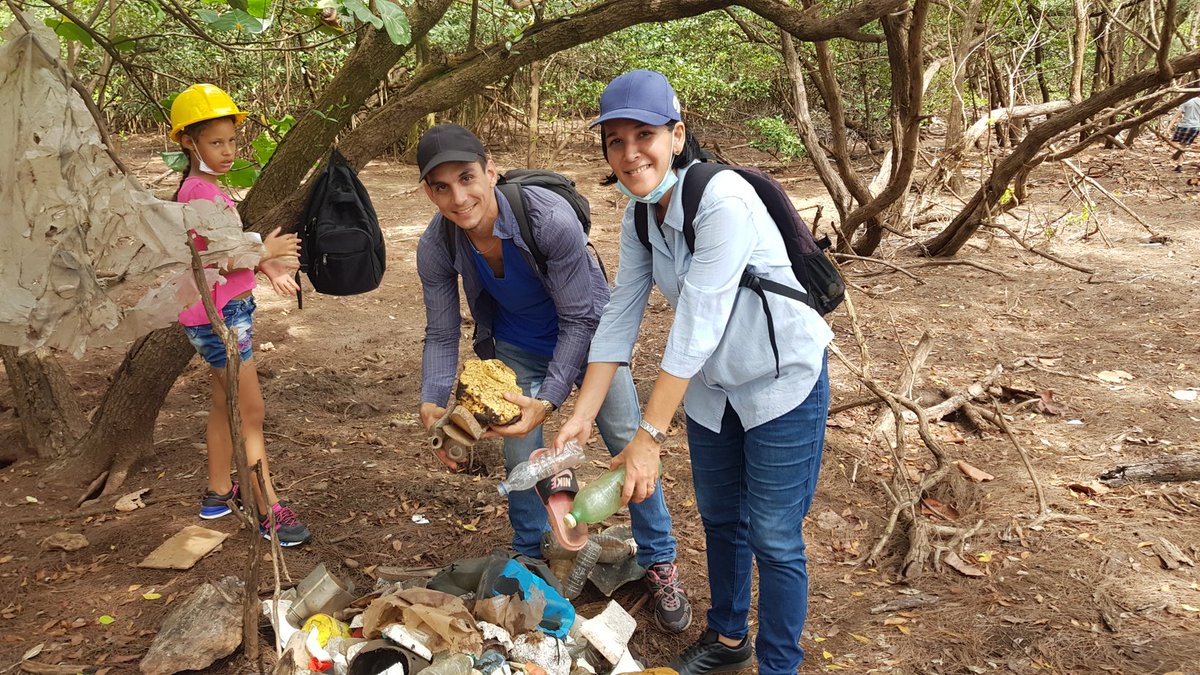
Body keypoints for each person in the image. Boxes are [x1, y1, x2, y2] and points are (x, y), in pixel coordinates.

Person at [554, 70, 834, 674]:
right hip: (713, 391)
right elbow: (617, 318)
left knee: (775, 536)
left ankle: (778, 665)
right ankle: (729, 641)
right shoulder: (638, 217)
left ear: (677, 136)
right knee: (721, 517)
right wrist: (580, 414)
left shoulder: (723, 200)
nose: (630, 154)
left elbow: (697, 323)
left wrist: (648, 437)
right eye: (615, 141)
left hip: (781, 380)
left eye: (644, 136)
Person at [413, 123, 691, 632]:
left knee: (628, 444)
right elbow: (441, 329)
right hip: (516, 348)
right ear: (428, 192)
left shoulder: (547, 219)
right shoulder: (437, 243)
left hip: (591, 345)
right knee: (522, 460)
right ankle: (530, 559)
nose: (458, 197)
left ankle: (659, 558)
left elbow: (581, 320)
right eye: (441, 187)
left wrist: (554, 397)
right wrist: (433, 402)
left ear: (490, 172)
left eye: (467, 178)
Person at [169, 83, 312, 547]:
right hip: (221, 318)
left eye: (232, 140)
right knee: (251, 410)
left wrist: (264, 262)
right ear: (189, 142)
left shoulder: (207, 188)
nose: (228, 151)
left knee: (222, 402)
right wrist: (263, 249)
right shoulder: (196, 192)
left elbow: (222, 250)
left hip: (223, 311)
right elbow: (212, 260)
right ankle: (266, 505)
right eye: (216, 142)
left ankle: (217, 491)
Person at [1169, 93, 1200, 171]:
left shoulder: (1186, 101)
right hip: (1196, 127)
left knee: (1175, 143)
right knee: (1183, 145)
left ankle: (1179, 152)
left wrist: (1169, 127)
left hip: (1184, 126)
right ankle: (1179, 165)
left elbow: (1176, 116)